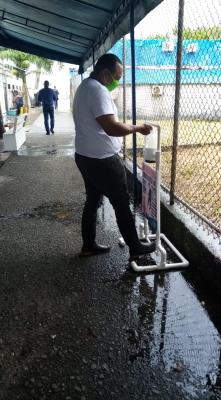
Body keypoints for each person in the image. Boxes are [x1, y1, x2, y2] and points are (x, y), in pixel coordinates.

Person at [73, 53, 155, 258]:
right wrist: (138, 128)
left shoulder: (84, 87)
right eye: (116, 77)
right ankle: (136, 248)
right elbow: (111, 127)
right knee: (121, 203)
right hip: (102, 161)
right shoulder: (98, 90)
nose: (117, 82)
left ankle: (88, 245)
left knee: (92, 200)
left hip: (85, 155)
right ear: (105, 73)